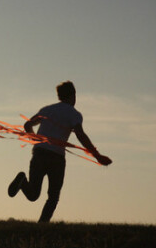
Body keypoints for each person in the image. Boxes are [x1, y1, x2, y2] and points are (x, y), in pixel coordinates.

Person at [8, 81, 112, 223]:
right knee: (53, 196)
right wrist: (97, 155)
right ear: (73, 95)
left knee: (33, 194)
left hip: (39, 153)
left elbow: (27, 124)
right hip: (56, 157)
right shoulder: (74, 114)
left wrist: (36, 139)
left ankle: (22, 180)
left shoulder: (47, 110)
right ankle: (42, 225)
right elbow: (81, 135)